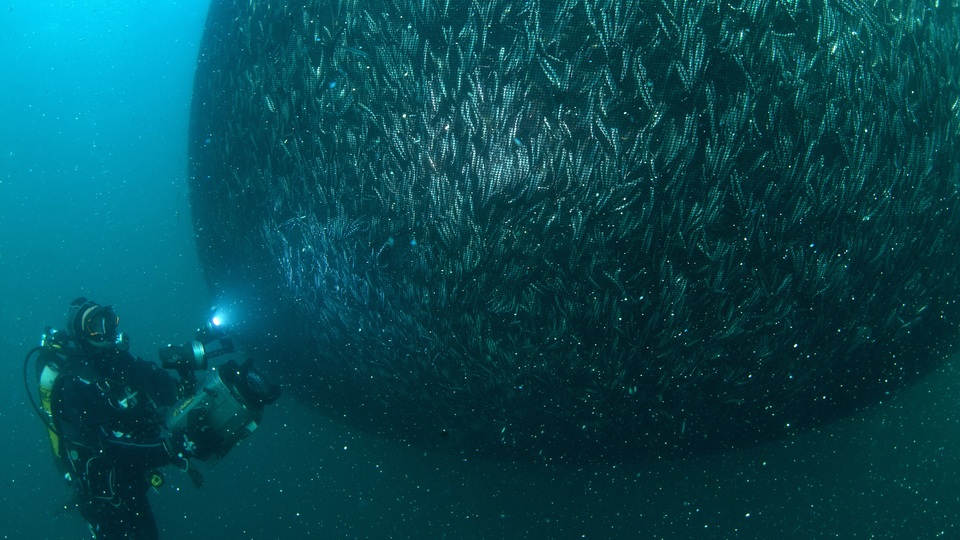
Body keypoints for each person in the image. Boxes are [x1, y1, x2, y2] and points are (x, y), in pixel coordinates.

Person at [37, 298, 198, 540]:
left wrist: (185, 376)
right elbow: (106, 446)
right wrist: (169, 448)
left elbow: (167, 390)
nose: (105, 331)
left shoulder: (122, 361)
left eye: (108, 321)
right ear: (81, 333)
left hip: (133, 484)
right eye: (95, 325)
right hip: (103, 501)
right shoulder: (71, 383)